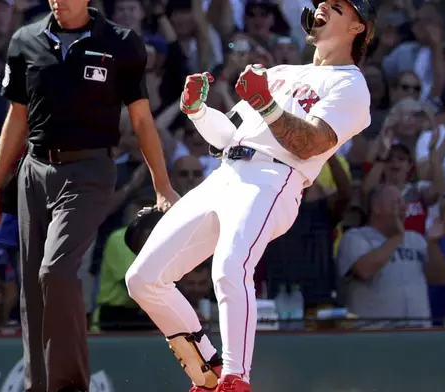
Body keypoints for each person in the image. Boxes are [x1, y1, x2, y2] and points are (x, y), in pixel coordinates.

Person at [125, 0, 375, 391]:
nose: (323, 5)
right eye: (322, 2)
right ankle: (207, 372)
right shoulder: (279, 71)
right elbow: (228, 137)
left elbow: (310, 143)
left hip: (275, 179)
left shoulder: (351, 84)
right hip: (226, 171)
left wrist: (266, 104)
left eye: (338, 5)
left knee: (229, 267)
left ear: (359, 28)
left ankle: (235, 378)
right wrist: (198, 111)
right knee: (143, 278)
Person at [0, 1, 179, 392]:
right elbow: (16, 117)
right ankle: (38, 385)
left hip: (89, 171)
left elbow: (141, 119)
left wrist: (162, 184)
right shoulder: (25, 40)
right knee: (33, 289)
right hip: (33, 171)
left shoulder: (121, 42)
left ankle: (70, 385)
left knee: (56, 272)